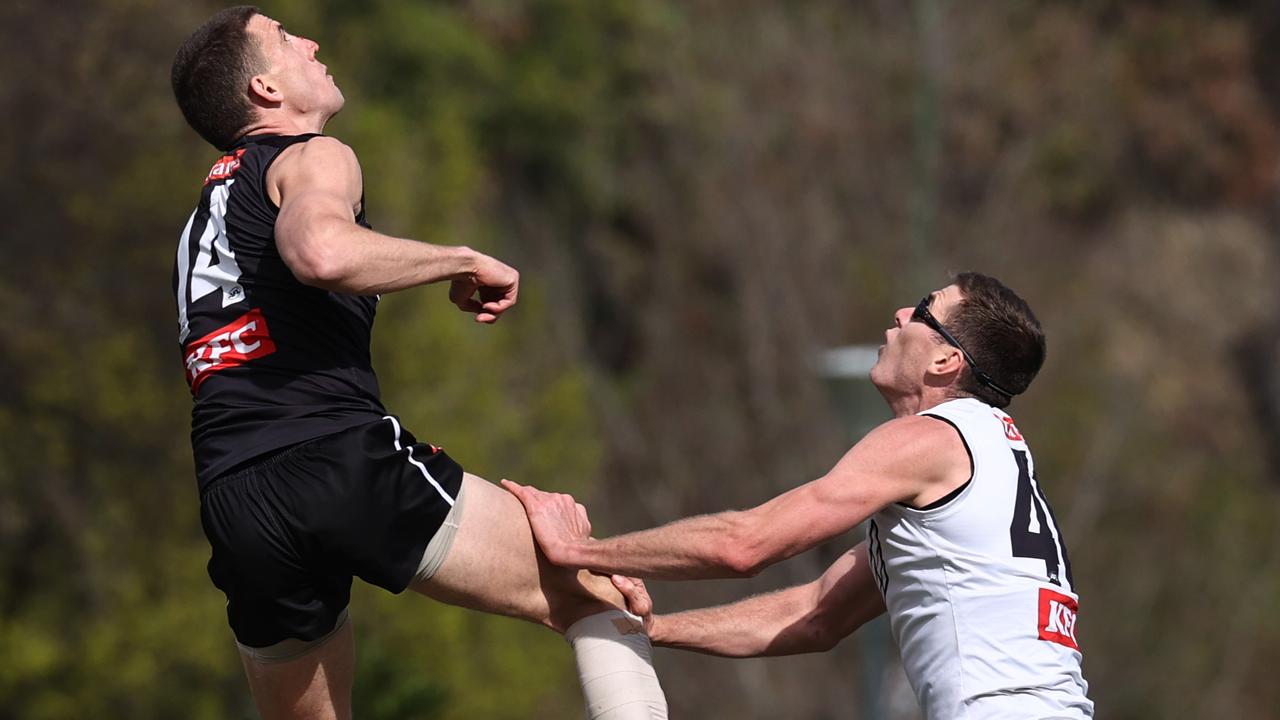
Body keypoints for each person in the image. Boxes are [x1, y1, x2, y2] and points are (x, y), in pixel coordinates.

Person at [169, 7, 666, 720]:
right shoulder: (310, 155)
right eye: (284, 38)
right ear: (266, 91)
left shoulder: (199, 226)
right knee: (600, 594)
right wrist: (459, 258)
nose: (310, 41)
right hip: (333, 457)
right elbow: (323, 254)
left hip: (236, 501)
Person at [506, 273, 1094, 719]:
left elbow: (746, 544)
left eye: (921, 311)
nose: (898, 314)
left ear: (945, 361)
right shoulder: (986, 463)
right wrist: (654, 629)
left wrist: (579, 551)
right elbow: (817, 615)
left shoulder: (931, 440)